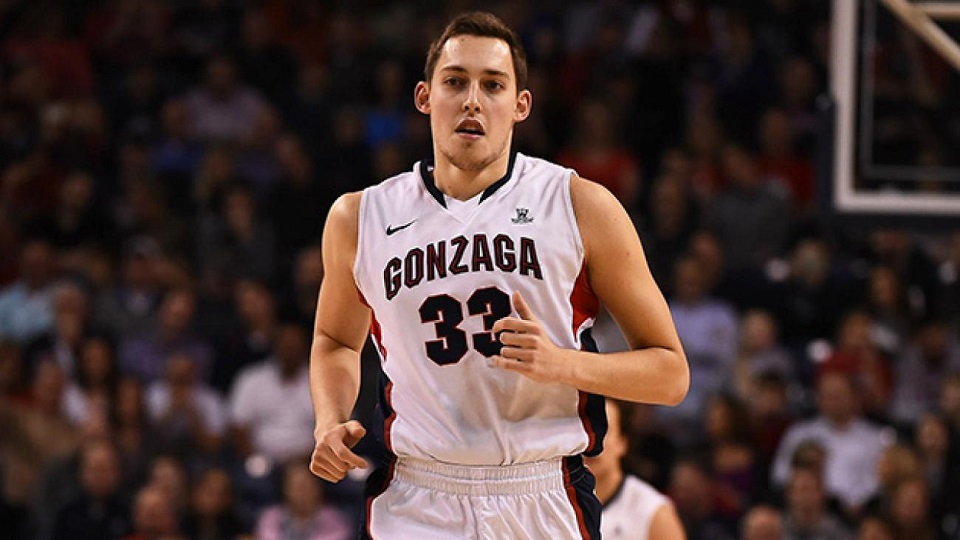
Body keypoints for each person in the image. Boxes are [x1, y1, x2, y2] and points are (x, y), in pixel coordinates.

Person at [308, 11, 689, 539]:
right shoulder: (360, 217)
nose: (472, 100)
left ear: (520, 105)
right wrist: (329, 419)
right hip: (417, 495)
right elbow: (334, 340)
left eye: (492, 85)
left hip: (541, 490)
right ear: (424, 97)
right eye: (455, 82)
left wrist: (563, 364)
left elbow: (671, 374)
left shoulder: (580, 206)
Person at [584, 398, 684, 540]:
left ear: (623, 443)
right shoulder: (555, 502)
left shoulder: (654, 512)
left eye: (603, 431)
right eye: (583, 431)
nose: (591, 443)